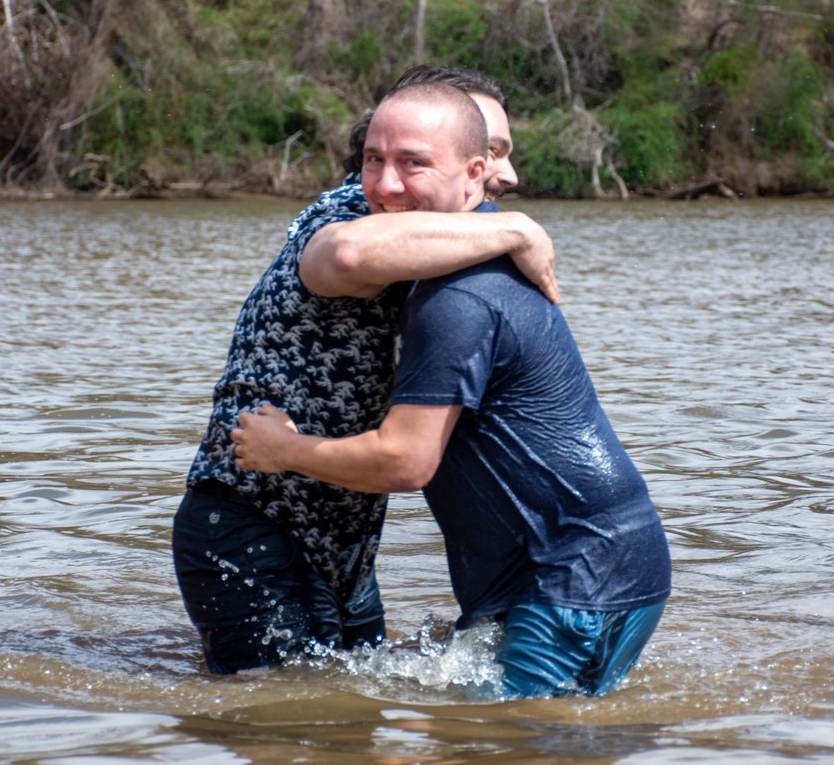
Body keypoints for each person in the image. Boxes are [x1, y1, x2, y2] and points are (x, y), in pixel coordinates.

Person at [231, 83, 673, 699]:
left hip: (576, 575)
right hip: (578, 565)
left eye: (413, 164)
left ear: (474, 174)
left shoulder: (459, 297)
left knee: (507, 742)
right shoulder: (452, 251)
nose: (386, 185)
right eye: (373, 160)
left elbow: (405, 460)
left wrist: (284, 451)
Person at [173, 69, 555, 675]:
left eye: (501, 153)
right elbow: (351, 255)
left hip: (344, 542)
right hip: (251, 516)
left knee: (349, 718)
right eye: (493, 152)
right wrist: (515, 226)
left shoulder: (441, 231)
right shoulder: (352, 212)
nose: (507, 175)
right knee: (279, 722)